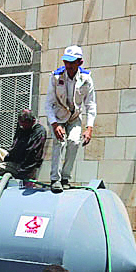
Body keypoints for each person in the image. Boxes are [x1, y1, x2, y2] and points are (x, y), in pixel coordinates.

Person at [45, 45, 97, 193]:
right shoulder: (56, 77)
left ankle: (65, 178)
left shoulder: (86, 79)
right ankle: (55, 178)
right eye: (66, 62)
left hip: (74, 117)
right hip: (58, 116)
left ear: (79, 63)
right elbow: (48, 104)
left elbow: (90, 104)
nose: (68, 66)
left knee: (74, 141)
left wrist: (89, 128)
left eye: (72, 62)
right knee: (59, 142)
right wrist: (55, 125)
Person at [0, 109, 47, 181]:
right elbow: (15, 144)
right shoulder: (21, 127)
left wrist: (22, 173)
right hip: (13, 159)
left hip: (23, 167)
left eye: (24, 123)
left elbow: (34, 155)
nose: (21, 126)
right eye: (20, 123)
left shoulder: (39, 132)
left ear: (32, 121)